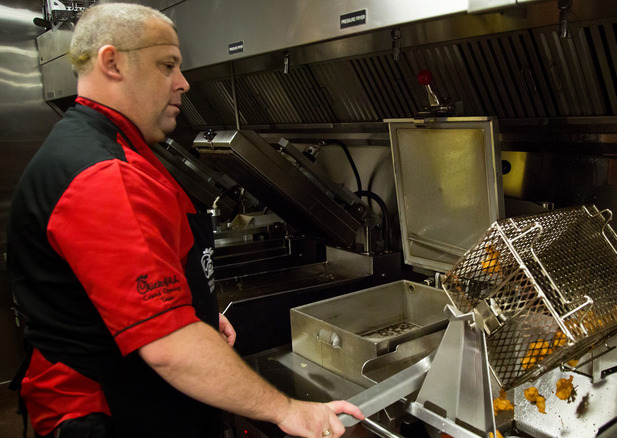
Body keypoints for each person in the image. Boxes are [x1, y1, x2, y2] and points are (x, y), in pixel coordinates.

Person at [6, 3, 363, 437]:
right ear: (112, 62)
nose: (183, 83)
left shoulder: (104, 146)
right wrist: (287, 409)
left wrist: (197, 309)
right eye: (167, 65)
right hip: (113, 413)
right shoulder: (104, 174)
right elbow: (170, 349)